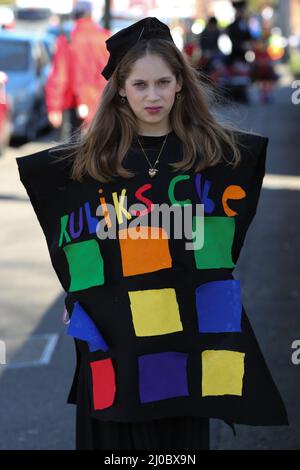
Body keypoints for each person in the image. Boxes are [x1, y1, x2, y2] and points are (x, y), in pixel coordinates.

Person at [16, 17, 288, 451]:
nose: (153, 95)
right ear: (120, 88)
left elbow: (222, 247)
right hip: (113, 333)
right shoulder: (89, 164)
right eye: (140, 84)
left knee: (177, 449)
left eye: (163, 81)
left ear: (180, 83)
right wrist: (76, 297)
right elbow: (72, 242)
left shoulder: (218, 157)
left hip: (187, 334)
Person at [46, 1, 111, 141]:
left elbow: (59, 77)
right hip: (102, 103)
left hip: (73, 107)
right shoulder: (105, 38)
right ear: (91, 15)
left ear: (75, 15)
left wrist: (54, 107)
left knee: (71, 154)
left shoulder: (67, 40)